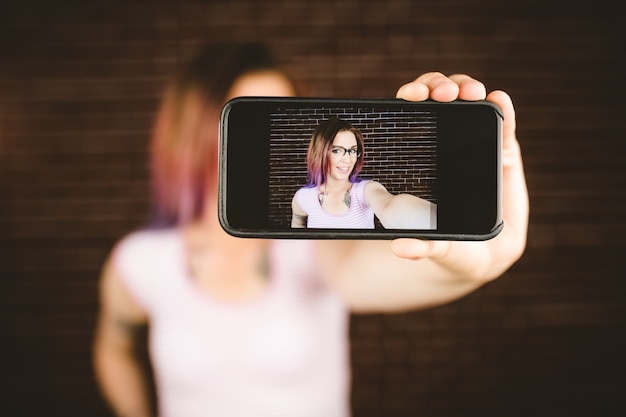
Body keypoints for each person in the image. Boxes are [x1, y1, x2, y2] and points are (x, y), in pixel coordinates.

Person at [93, 42, 529, 417]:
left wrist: (472, 260)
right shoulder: (140, 262)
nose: (343, 158)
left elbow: (381, 239)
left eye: (350, 150)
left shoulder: (322, 247)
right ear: (192, 131)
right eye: (244, 116)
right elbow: (113, 349)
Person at [291, 117, 436, 229]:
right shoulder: (303, 198)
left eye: (353, 150)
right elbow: (296, 232)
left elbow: (389, 205)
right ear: (320, 152)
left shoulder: (366, 190)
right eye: (337, 150)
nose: (348, 159)